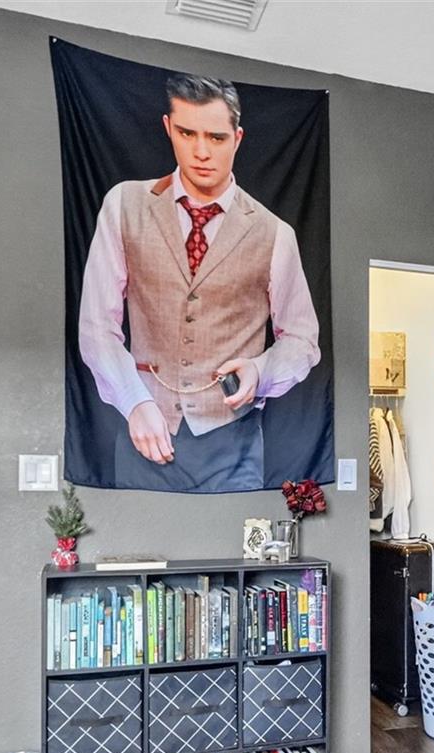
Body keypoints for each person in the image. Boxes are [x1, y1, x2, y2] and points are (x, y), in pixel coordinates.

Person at [77, 72, 321, 492]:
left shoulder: (275, 233)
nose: (201, 151)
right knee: (135, 535)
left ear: (237, 139)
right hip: (143, 427)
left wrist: (260, 371)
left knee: (235, 537)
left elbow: (302, 339)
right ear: (168, 128)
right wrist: (134, 401)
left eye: (216, 138)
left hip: (233, 439)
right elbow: (97, 325)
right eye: (187, 133)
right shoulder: (124, 205)